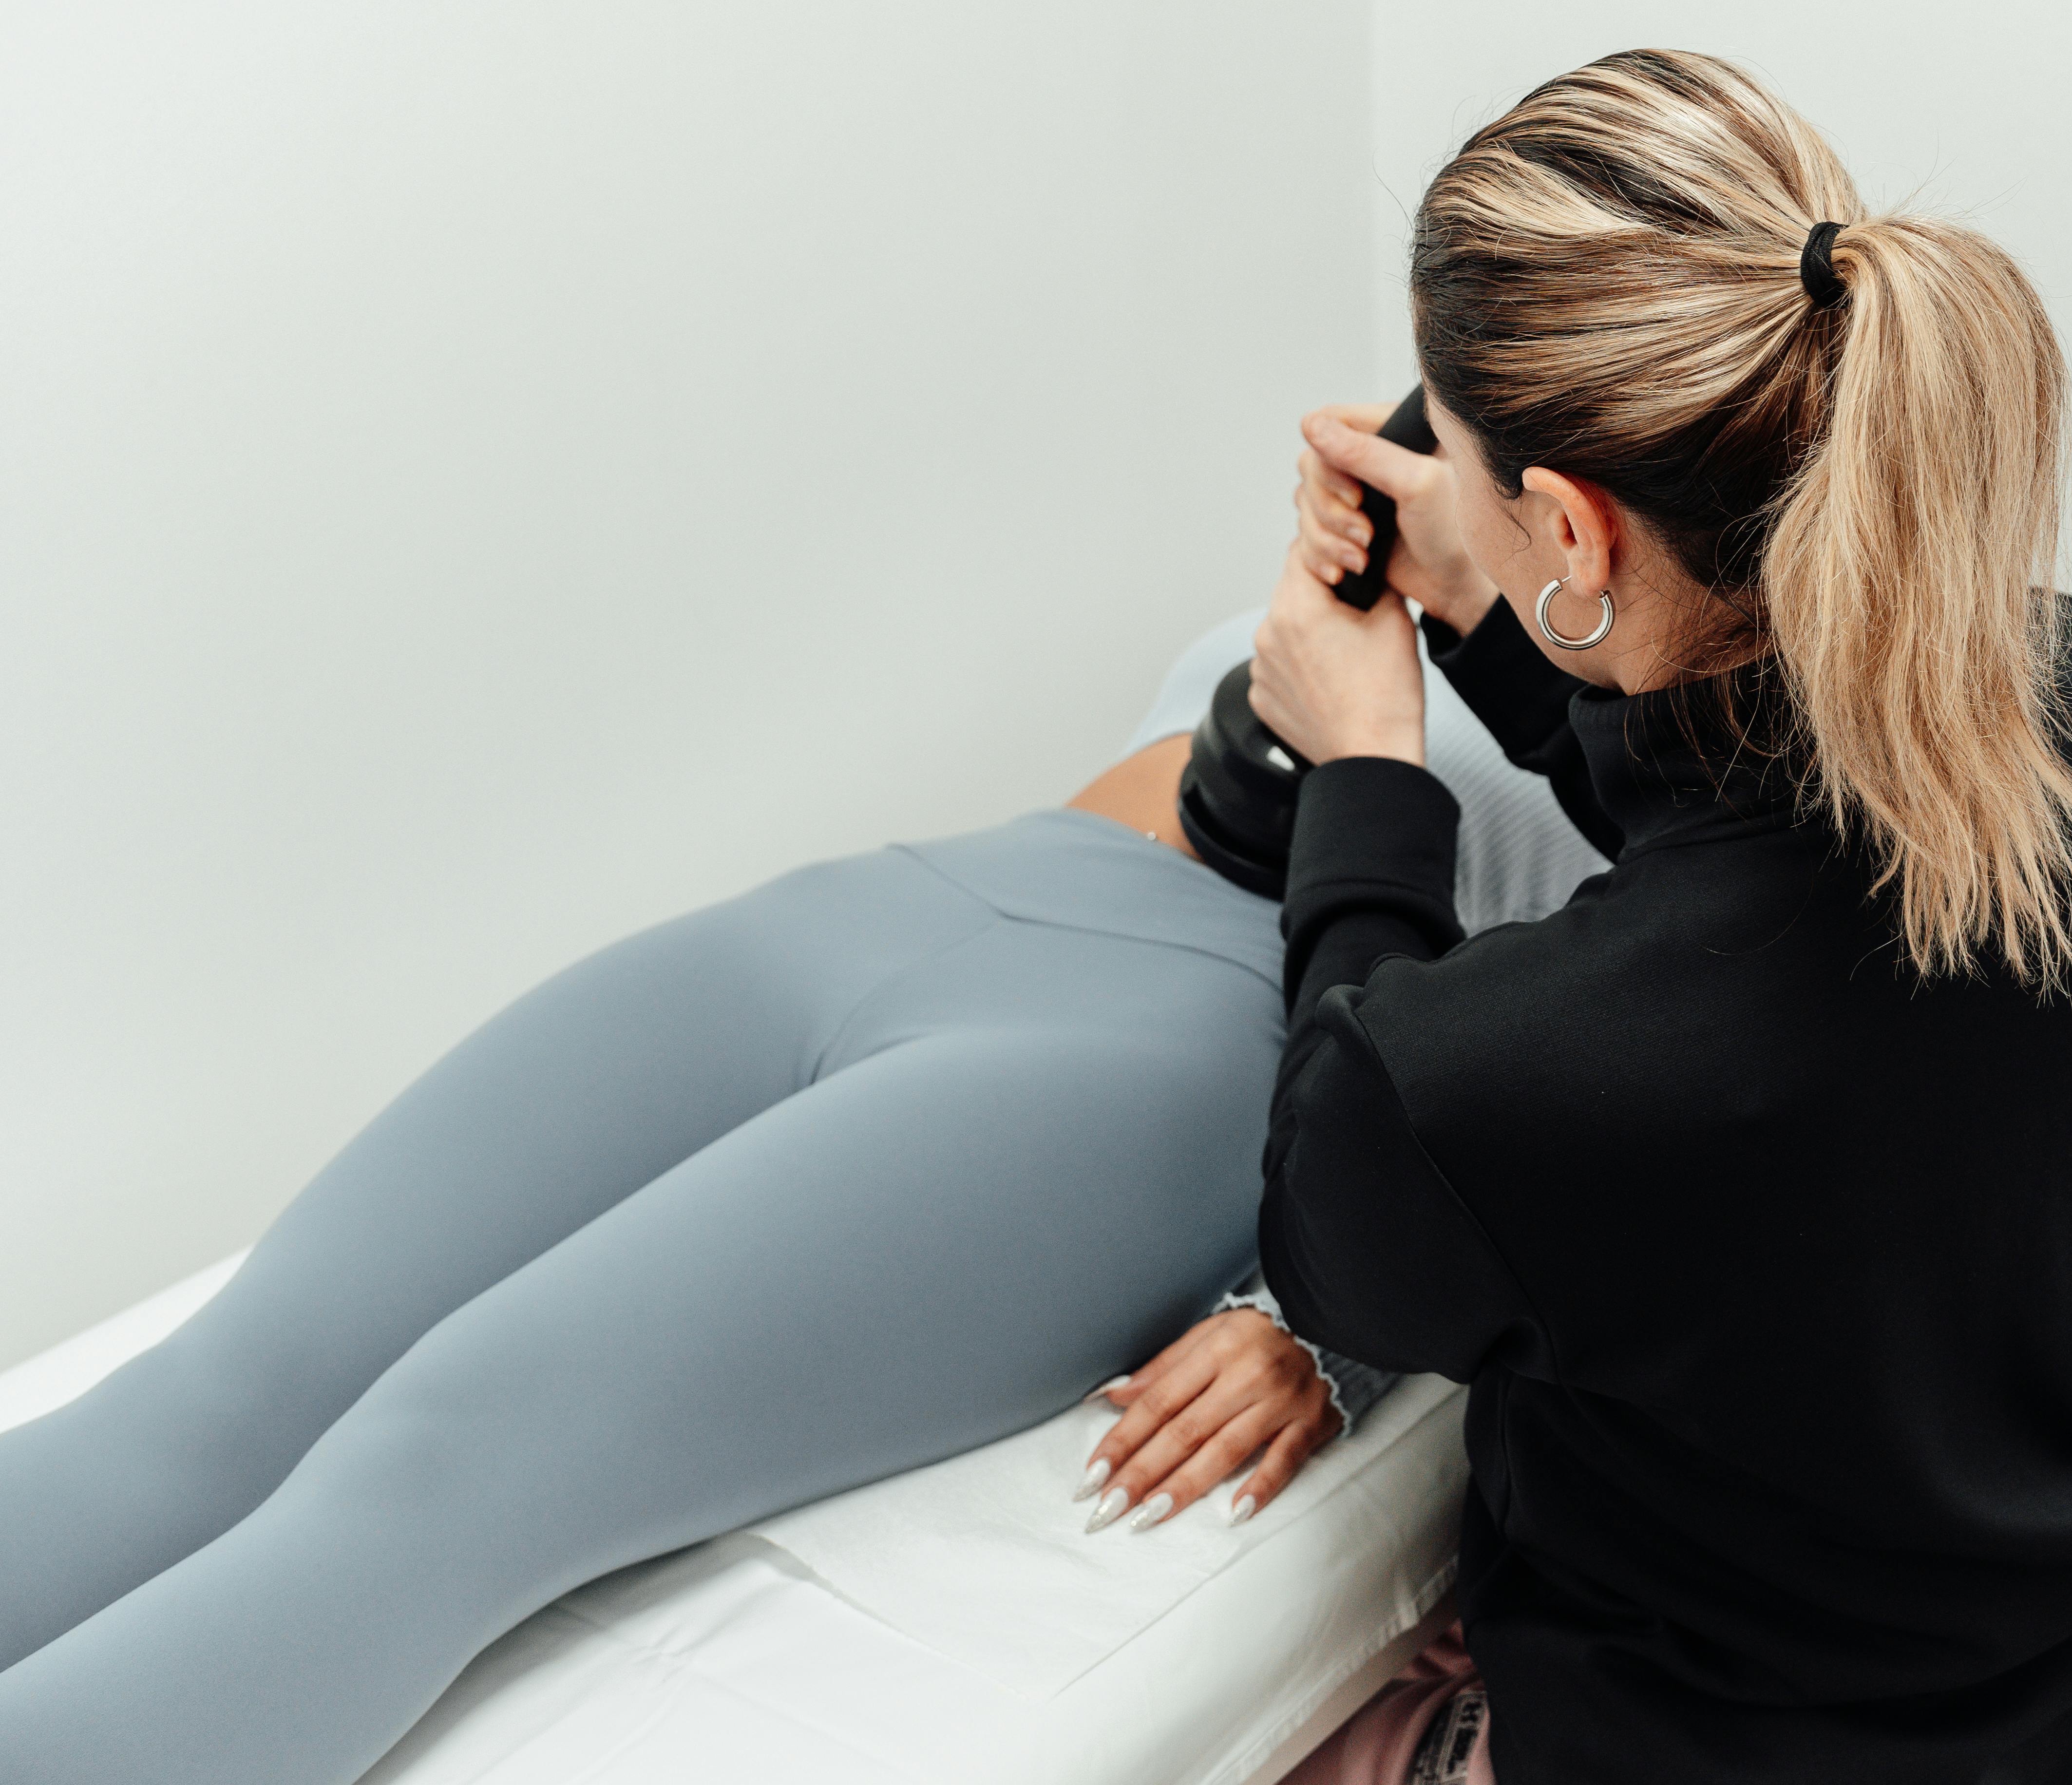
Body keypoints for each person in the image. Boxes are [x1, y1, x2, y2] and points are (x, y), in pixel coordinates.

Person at [0, 609, 1603, 1785]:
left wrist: (1325, 1328)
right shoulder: (1432, 490)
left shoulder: (1727, 743)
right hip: (923, 896)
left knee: (448, 1466)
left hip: (1167, 1057)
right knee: (230, 1383)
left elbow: (1605, 1131)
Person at [1233, 50, 2072, 1785]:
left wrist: (1363, 769)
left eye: (1462, 460)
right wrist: (1490, 609)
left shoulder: (1501, 1083)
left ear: (1573, 519)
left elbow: (1341, 1200)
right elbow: (1754, 798)